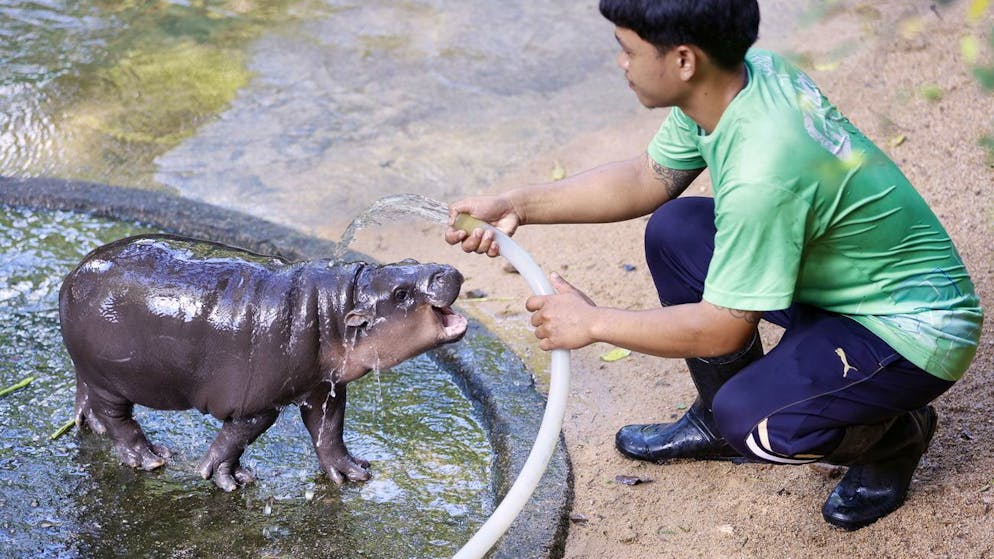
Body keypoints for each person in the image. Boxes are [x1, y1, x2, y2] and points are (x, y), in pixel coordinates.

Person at [445, 0, 983, 531]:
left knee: (753, 420)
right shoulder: (745, 78)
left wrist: (592, 322)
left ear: (684, 61)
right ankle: (714, 418)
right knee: (676, 229)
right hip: (845, 282)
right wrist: (519, 204)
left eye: (627, 50)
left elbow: (721, 330)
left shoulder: (763, 173)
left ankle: (895, 437)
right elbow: (645, 179)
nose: (620, 64)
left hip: (912, 330)